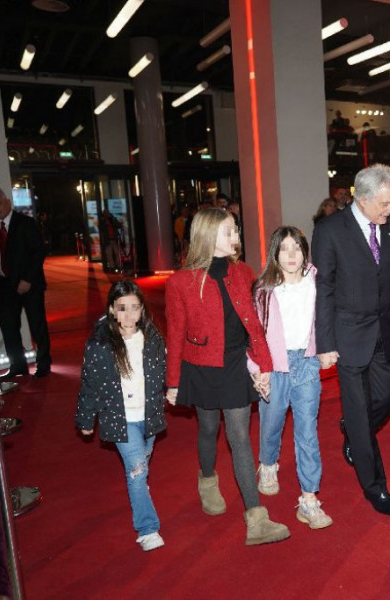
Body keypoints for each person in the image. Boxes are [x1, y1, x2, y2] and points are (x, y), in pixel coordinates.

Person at [165, 208, 289, 545]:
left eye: (235, 229)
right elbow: (175, 334)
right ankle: (207, 479)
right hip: (201, 366)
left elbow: (255, 326)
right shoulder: (181, 282)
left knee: (239, 437)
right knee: (208, 428)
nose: (236, 236)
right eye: (228, 231)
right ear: (208, 235)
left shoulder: (243, 272)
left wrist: (264, 366)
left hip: (235, 364)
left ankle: (256, 518)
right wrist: (173, 382)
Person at [312, 164, 390, 516]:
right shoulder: (330, 230)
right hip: (348, 334)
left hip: (386, 331)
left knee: (386, 400)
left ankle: (353, 429)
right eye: (385, 204)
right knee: (360, 413)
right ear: (362, 199)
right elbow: (324, 289)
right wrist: (324, 343)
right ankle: (375, 486)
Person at [76, 280, 168, 552]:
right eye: (122, 308)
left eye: (134, 308)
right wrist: (85, 418)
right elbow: (90, 383)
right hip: (121, 417)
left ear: (142, 310)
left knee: (141, 467)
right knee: (137, 471)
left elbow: (164, 371)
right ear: (112, 310)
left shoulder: (152, 339)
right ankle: (147, 529)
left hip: (148, 414)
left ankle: (139, 486)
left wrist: (174, 390)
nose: (129, 315)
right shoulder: (100, 344)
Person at [252, 226, 332, 530]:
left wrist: (328, 348)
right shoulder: (265, 290)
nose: (290, 255)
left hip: (307, 363)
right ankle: (268, 463)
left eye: (296, 248)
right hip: (274, 365)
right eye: (284, 248)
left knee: (307, 431)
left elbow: (327, 318)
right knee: (271, 422)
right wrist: (257, 369)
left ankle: (309, 499)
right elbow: (254, 335)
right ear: (275, 253)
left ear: (304, 252)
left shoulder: (316, 282)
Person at [0, 186, 52, 379]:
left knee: (37, 325)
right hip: (5, 285)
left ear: (7, 202)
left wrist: (27, 279)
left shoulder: (25, 222)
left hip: (30, 284)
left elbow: (38, 252)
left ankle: (43, 364)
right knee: (8, 326)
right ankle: (18, 366)